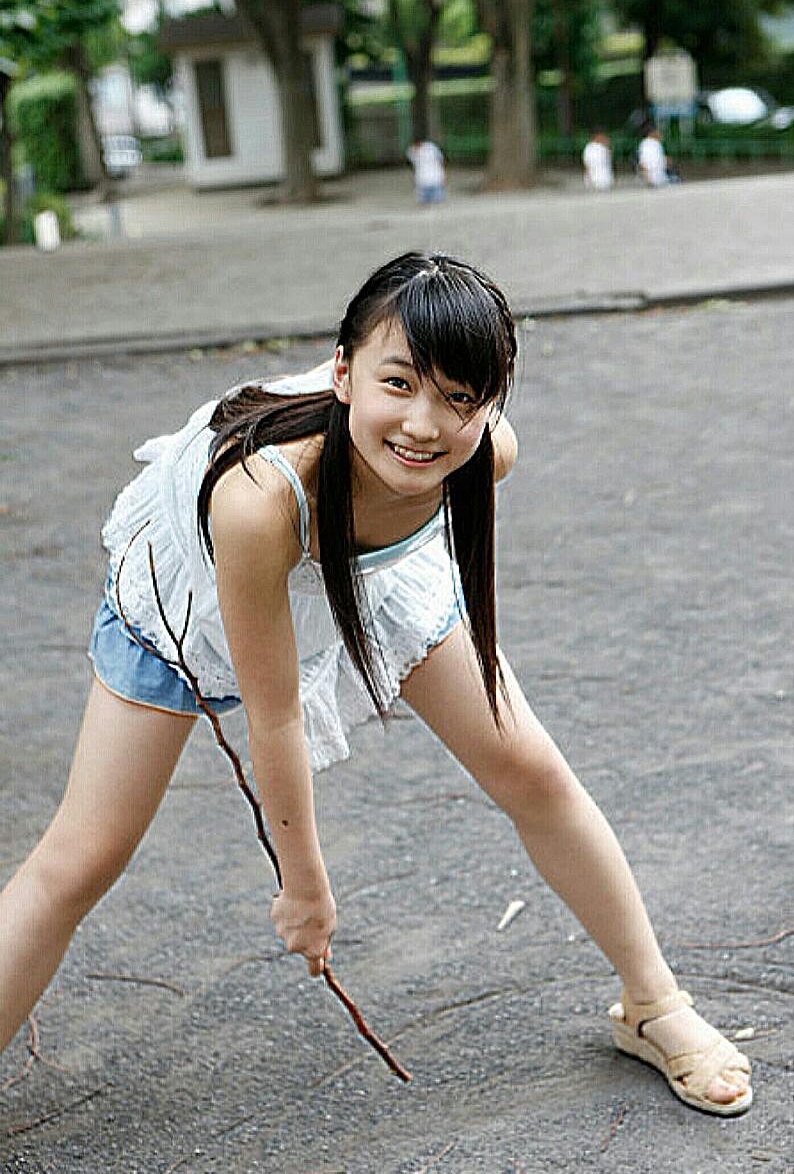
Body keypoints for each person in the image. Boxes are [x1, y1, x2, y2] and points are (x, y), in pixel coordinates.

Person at [0, 252, 751, 1117]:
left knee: (531, 770)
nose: (424, 425)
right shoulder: (258, 499)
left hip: (374, 578)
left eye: (459, 397)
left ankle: (653, 1004)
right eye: (398, 383)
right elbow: (274, 715)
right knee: (84, 854)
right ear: (343, 372)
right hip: (191, 599)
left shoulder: (484, 457)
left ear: (491, 404)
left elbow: (429, 471)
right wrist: (304, 886)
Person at [406, 138, 446, 204]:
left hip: (435, 174)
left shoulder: (430, 147)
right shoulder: (411, 151)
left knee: (438, 197)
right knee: (425, 197)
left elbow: (440, 158)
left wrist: (442, 169)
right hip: (423, 176)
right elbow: (413, 160)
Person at [637, 123, 674, 187]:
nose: (659, 133)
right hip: (661, 179)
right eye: (657, 131)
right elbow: (667, 163)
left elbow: (643, 164)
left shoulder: (643, 144)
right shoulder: (656, 144)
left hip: (652, 179)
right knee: (675, 178)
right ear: (651, 133)